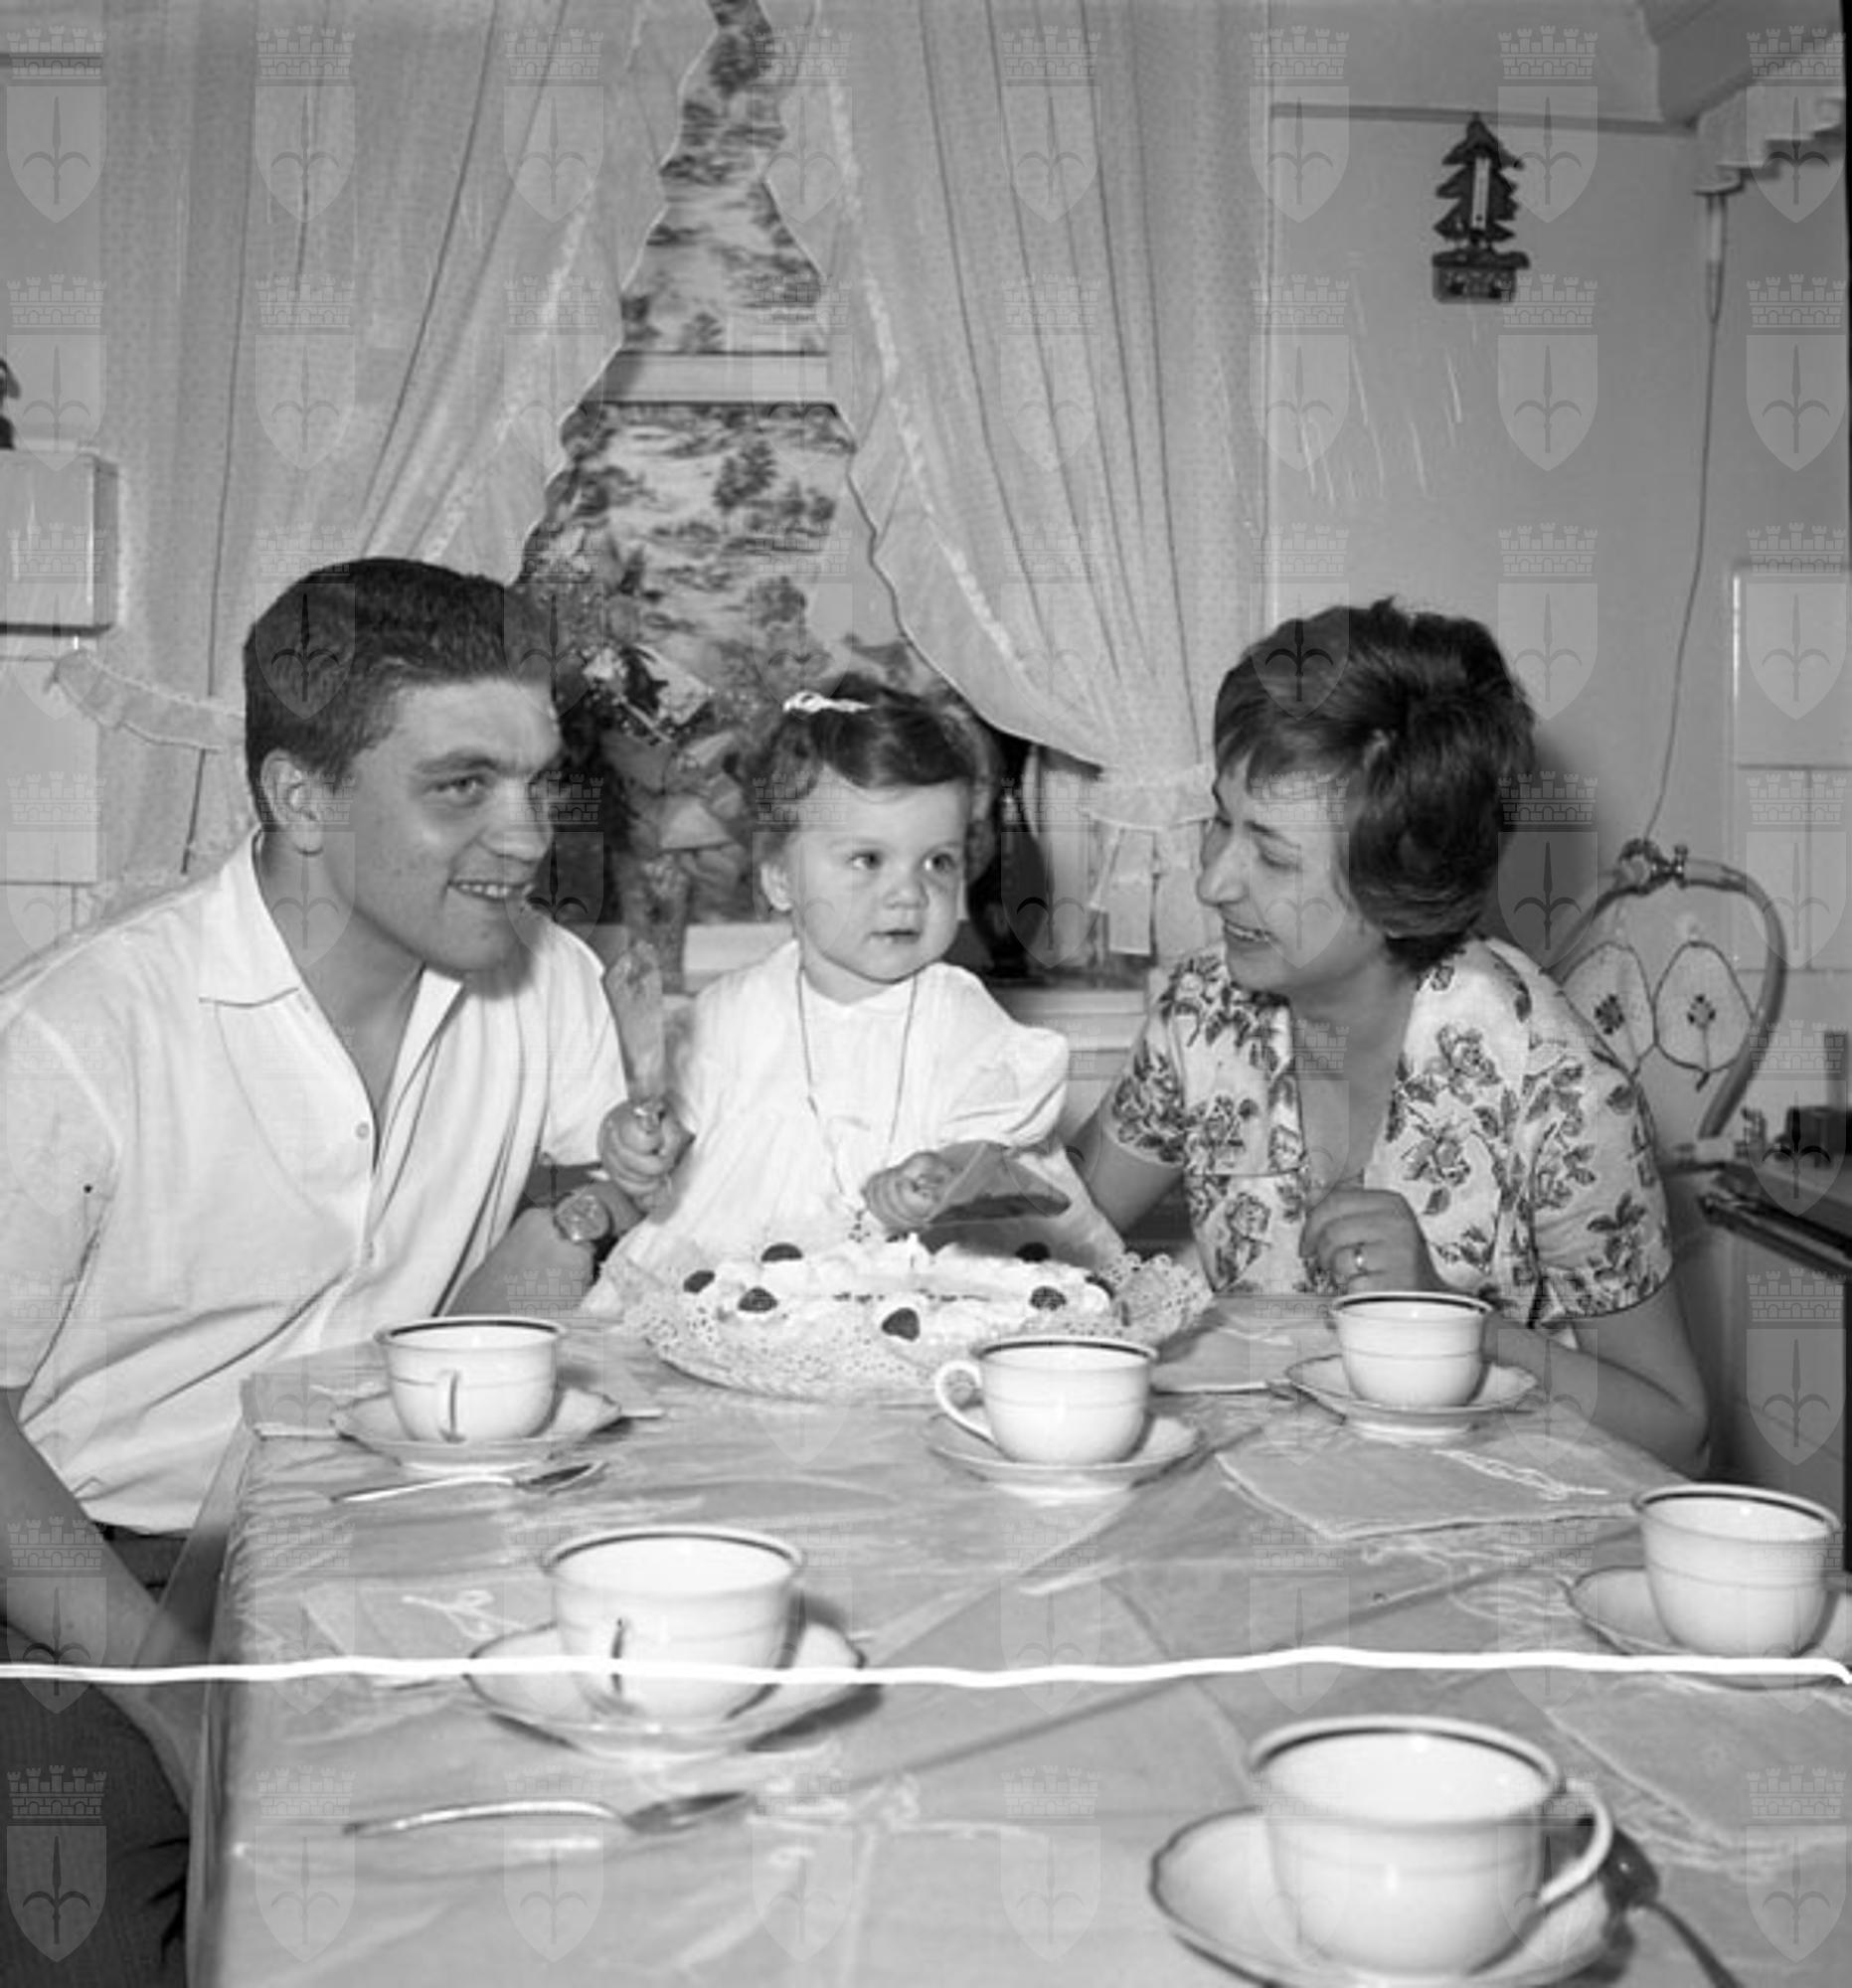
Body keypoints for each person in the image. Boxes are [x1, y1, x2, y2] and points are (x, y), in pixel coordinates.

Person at [0, 559, 656, 1985]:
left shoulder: (550, 984)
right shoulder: (75, 1037)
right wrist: (175, 1691)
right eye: (462, 785)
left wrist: (587, 1213)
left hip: (397, 1539)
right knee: (81, 1941)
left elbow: (535, 1280)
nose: (526, 835)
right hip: (89, 1572)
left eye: (540, 781)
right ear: (302, 798)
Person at [1073, 600, 1709, 1472]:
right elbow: (1059, 1241)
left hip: (1499, 1512)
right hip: (1278, 1499)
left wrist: (1448, 1316)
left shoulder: (1557, 1092)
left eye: (1273, 856)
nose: (1213, 880)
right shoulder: (1202, 1014)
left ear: (1401, 888)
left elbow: (1677, 1429)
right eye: (1221, 820)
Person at [607, 678, 1119, 1276]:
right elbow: (673, 1125)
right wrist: (638, 1142)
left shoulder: (955, 1014)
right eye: (867, 860)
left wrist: (944, 1171)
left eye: (938, 861)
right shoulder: (731, 1012)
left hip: (917, 1279)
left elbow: (994, 1137)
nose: (909, 892)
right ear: (780, 878)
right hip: (749, 1275)